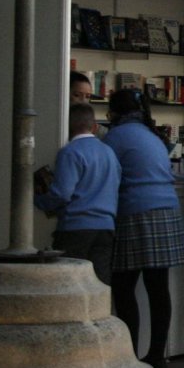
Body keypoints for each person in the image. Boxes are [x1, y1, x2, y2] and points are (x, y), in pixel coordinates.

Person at [104, 89, 184, 368]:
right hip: (167, 210)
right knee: (158, 287)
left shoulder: (115, 137)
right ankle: (157, 355)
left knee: (124, 286)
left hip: (135, 212)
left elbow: (108, 176)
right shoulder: (152, 135)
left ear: (112, 112)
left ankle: (130, 354)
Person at [35, 103, 120, 285]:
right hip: (106, 227)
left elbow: (62, 194)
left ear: (68, 126)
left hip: (75, 228)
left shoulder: (70, 152)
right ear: (95, 127)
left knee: (69, 284)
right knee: (99, 284)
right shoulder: (109, 153)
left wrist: (40, 201)